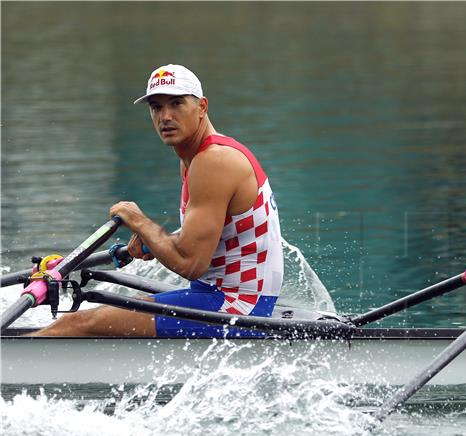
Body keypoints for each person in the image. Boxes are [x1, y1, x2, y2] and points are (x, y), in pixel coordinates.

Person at [31, 64, 283, 338]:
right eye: (156, 107)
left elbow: (191, 264)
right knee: (84, 319)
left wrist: (138, 221)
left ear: (202, 107)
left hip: (236, 307)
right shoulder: (195, 159)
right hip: (217, 296)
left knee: (74, 325)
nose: (165, 116)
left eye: (176, 104)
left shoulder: (215, 161)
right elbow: (204, 242)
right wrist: (156, 240)